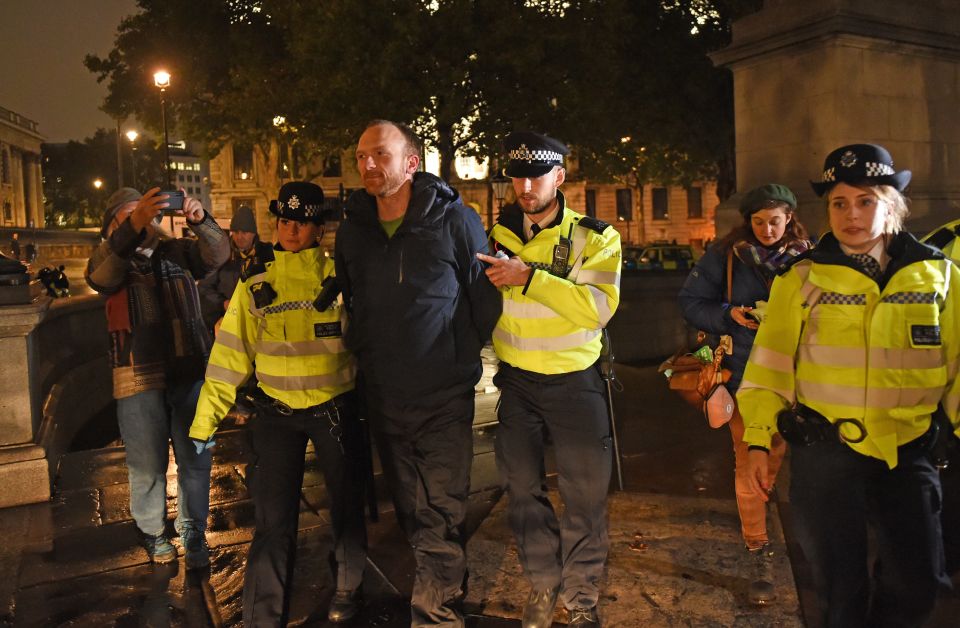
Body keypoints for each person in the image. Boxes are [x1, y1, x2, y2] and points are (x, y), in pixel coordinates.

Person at [739, 144, 958, 627]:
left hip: (908, 450)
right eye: (839, 203)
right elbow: (770, 367)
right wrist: (758, 439)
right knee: (839, 590)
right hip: (827, 455)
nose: (850, 215)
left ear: (891, 206)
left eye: (864, 202)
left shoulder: (938, 275)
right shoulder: (801, 277)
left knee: (919, 584)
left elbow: (957, 365)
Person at [334, 119, 500, 627]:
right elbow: (352, 298)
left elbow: (484, 298)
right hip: (383, 393)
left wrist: (454, 355)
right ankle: (444, 573)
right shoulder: (353, 229)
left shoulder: (455, 220)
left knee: (442, 505)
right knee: (410, 505)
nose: (367, 165)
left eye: (380, 155)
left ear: (411, 162)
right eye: (361, 156)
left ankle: (434, 610)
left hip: (444, 391)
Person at [190, 182, 367, 625]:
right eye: (285, 220)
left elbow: (371, 346)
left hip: (334, 411)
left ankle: (348, 587)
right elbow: (229, 356)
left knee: (347, 507)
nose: (292, 229)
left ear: (319, 228)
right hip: (276, 417)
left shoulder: (342, 278)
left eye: (303, 221)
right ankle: (262, 616)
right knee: (272, 522)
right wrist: (203, 423)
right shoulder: (255, 283)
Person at [477, 131, 622, 628]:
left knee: (584, 497)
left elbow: (598, 309)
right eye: (516, 175)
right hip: (517, 384)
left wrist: (530, 278)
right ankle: (543, 583)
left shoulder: (595, 237)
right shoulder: (494, 236)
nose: (524, 184)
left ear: (559, 177)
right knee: (522, 492)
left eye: (535, 175)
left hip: (574, 384)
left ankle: (580, 598)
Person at [678, 183, 811, 604]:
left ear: (789, 218)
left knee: (795, 466)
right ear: (747, 222)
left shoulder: (810, 257)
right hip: (743, 375)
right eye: (758, 222)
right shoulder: (725, 255)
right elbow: (691, 301)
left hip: (801, 376)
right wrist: (728, 314)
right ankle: (759, 547)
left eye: (775, 221)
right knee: (751, 461)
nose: (767, 229)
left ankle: (805, 539)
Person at [85, 186, 229, 568]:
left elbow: (219, 254)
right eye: (130, 214)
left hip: (188, 368)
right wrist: (133, 225)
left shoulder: (176, 251)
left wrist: (202, 222)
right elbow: (101, 278)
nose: (143, 219)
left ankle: (193, 529)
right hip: (136, 373)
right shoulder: (109, 257)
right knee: (146, 462)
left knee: (196, 455)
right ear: (113, 224)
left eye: (147, 212)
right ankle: (152, 531)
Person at [198, 204, 272, 333]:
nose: (239, 236)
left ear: (253, 233)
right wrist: (223, 303)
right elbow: (204, 287)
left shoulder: (267, 253)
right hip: (227, 321)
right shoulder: (222, 255)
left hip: (260, 322)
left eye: (244, 232)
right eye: (236, 232)